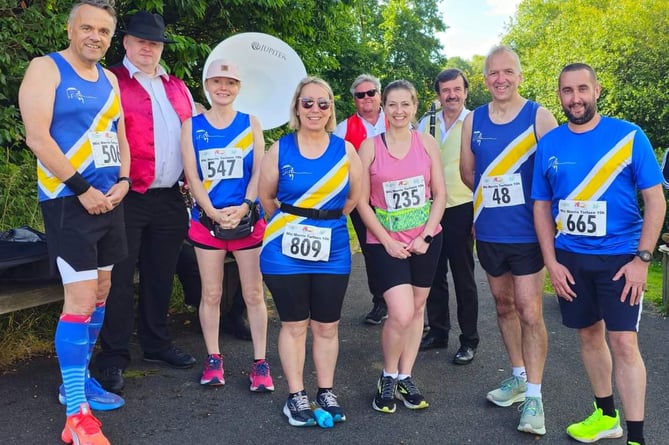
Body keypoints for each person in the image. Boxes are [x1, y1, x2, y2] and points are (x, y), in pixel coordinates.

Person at [533, 63, 665, 445]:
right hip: (570, 260)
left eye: (582, 89)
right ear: (559, 95)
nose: (575, 98)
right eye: (567, 91)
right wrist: (551, 263)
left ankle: (637, 437)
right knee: (589, 336)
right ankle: (606, 416)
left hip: (621, 260)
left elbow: (654, 201)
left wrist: (643, 260)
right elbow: (542, 207)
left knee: (624, 342)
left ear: (597, 90)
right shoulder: (551, 143)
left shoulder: (628, 135)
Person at [18, 1, 129, 443]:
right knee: (79, 302)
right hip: (70, 201)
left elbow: (117, 133)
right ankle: (77, 417)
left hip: (110, 201)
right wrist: (83, 188)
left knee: (101, 293)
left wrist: (124, 179)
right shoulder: (45, 69)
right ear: (70, 29)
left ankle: (75, 385)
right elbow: (37, 137)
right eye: (87, 28)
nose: (96, 37)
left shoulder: (110, 78)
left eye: (104, 31)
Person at [95, 10, 196, 394]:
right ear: (126, 43)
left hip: (171, 196)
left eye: (154, 43)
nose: (148, 48)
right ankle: (114, 355)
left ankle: (155, 343)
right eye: (141, 41)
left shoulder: (178, 87)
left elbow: (191, 137)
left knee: (160, 273)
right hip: (126, 195)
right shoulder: (109, 81)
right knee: (118, 277)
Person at [459, 45, 558, 435]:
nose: (500, 79)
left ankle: (535, 395)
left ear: (519, 75)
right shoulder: (475, 120)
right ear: (485, 79)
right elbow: (469, 173)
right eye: (493, 73)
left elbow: (553, 175)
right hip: (488, 232)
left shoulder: (540, 115)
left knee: (530, 311)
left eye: (507, 72)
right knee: (502, 305)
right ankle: (518, 377)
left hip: (529, 234)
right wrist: (493, 199)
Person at [258, 77, 362, 426]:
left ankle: (326, 391)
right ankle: (296, 396)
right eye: (308, 103)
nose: (315, 110)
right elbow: (267, 197)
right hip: (283, 250)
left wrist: (322, 222)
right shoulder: (280, 148)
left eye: (323, 103)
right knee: (294, 324)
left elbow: (352, 200)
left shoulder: (345, 150)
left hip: (331, 249)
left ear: (332, 108)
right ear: (296, 107)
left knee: (327, 326)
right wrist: (294, 224)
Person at [180, 59, 273, 391]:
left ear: (238, 88)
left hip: (247, 221)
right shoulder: (191, 126)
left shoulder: (251, 124)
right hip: (208, 222)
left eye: (230, 82)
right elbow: (192, 176)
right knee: (212, 292)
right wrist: (211, 211)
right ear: (207, 85)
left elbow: (258, 172)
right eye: (217, 82)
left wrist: (246, 205)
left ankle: (260, 363)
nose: (223, 88)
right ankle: (214, 358)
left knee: (253, 293)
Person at [357, 80, 446, 414]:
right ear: (384, 108)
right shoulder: (370, 147)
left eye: (405, 104)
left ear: (414, 106)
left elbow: (440, 194)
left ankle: (406, 375)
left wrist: (424, 236)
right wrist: (387, 240)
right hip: (385, 242)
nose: (398, 111)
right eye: (392, 104)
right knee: (401, 312)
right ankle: (388, 375)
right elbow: (362, 203)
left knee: (418, 310)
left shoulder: (426, 143)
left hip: (425, 240)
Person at [417, 68, 479, 364]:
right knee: (432, 274)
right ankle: (438, 331)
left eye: (457, 89)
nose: (451, 95)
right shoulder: (425, 123)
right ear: (438, 94)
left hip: (461, 207)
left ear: (465, 91)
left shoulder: (475, 122)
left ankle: (469, 339)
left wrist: (479, 213)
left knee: (463, 276)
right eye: (445, 90)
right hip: (428, 210)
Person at [334, 74, 388, 325]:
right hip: (362, 199)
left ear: (380, 95)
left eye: (371, 93)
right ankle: (380, 301)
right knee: (372, 251)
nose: (366, 98)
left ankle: (411, 303)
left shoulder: (398, 119)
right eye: (360, 94)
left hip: (396, 198)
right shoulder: (343, 128)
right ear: (354, 99)